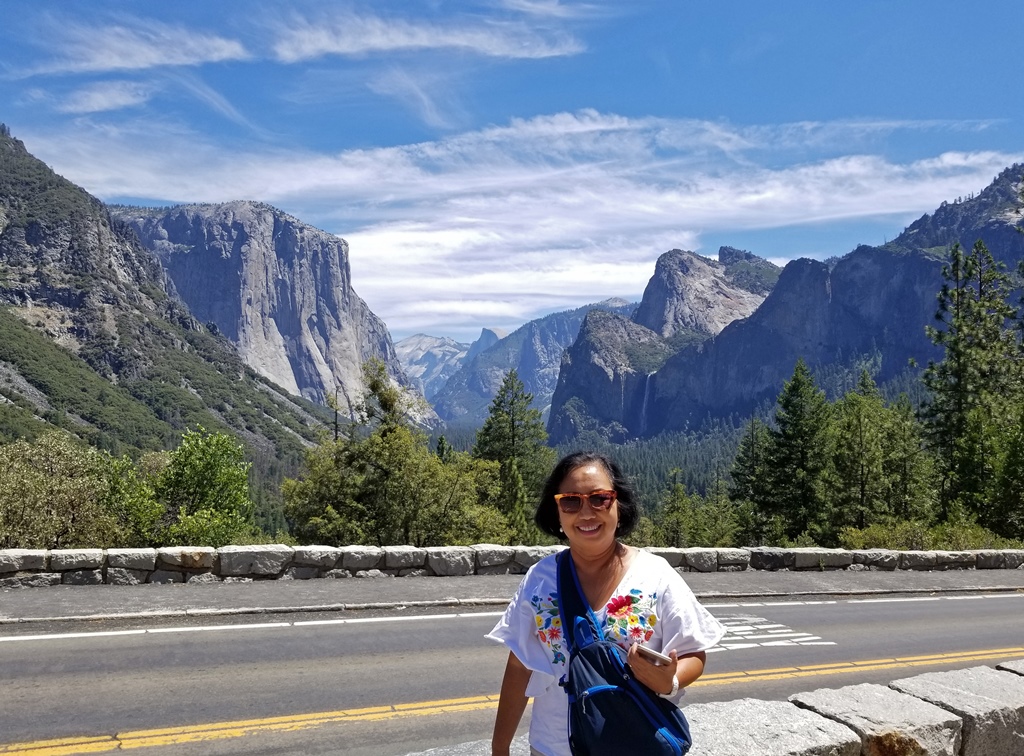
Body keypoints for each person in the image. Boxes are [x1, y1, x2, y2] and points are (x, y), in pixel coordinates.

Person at [487, 451, 725, 756]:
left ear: (619, 507)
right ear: (557, 512)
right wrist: (500, 747)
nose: (586, 513)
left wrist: (671, 681)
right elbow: (520, 664)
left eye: (600, 498)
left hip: (636, 745)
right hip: (553, 747)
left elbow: (693, 651)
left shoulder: (655, 574)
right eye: (571, 501)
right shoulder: (540, 579)